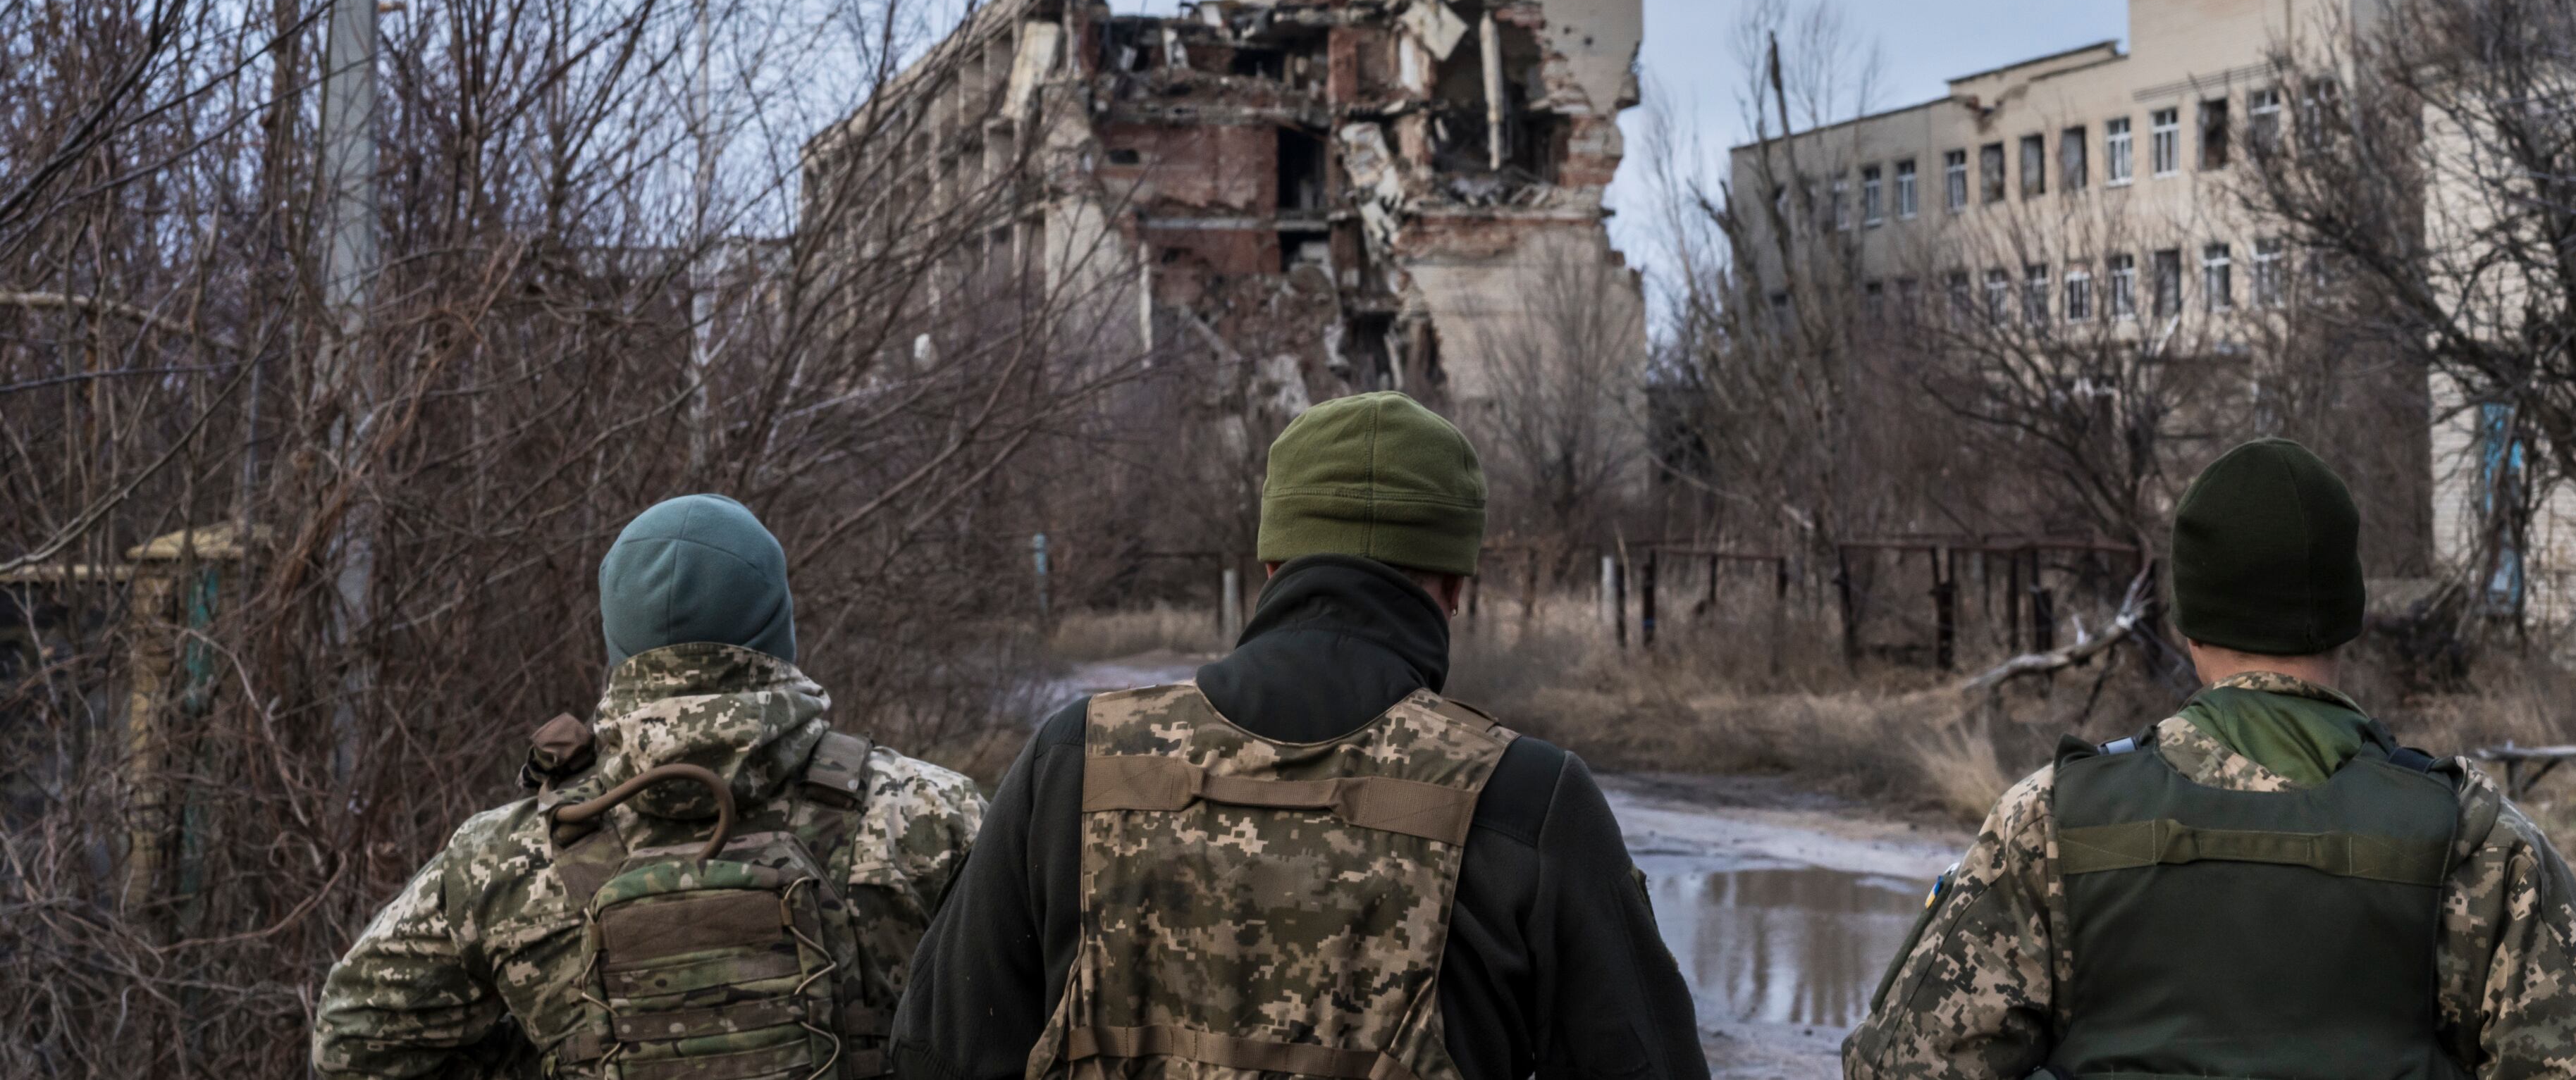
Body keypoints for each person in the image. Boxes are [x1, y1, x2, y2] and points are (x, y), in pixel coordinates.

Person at [894, 390, 1707, 1080]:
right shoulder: (1528, 798)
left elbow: (939, 1050)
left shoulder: (1074, 760)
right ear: (1455, 588)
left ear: (1271, 566)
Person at [1843, 437, 2576, 1080]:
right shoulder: (2476, 843)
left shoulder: (2049, 825)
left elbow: (1899, 1065)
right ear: (2346, 616)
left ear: (2187, 620)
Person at [314, 494, 987, 1080]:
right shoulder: (927, 815)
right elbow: (1039, 1021)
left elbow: (351, 1044)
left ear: (618, 638)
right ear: (777, 623)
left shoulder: (501, 860)